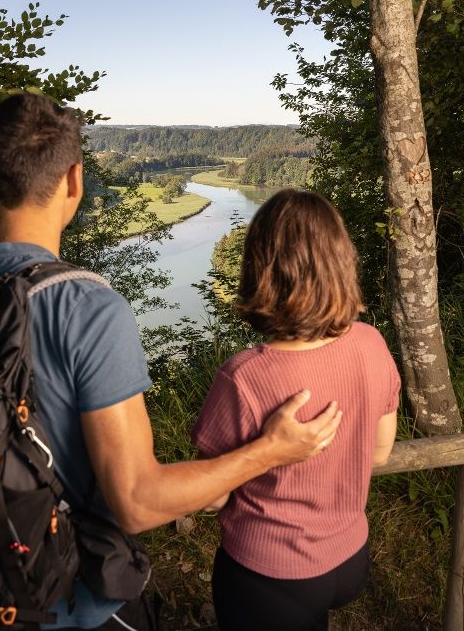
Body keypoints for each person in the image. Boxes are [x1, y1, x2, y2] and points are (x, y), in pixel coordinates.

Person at [0, 93, 343, 631]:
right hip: (62, 601)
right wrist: (269, 451)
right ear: (73, 181)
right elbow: (136, 502)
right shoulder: (85, 307)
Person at [191, 188, 400, 631]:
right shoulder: (371, 343)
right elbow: (380, 452)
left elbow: (211, 496)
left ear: (261, 270)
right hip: (349, 556)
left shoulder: (244, 376)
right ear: (341, 263)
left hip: (271, 574)